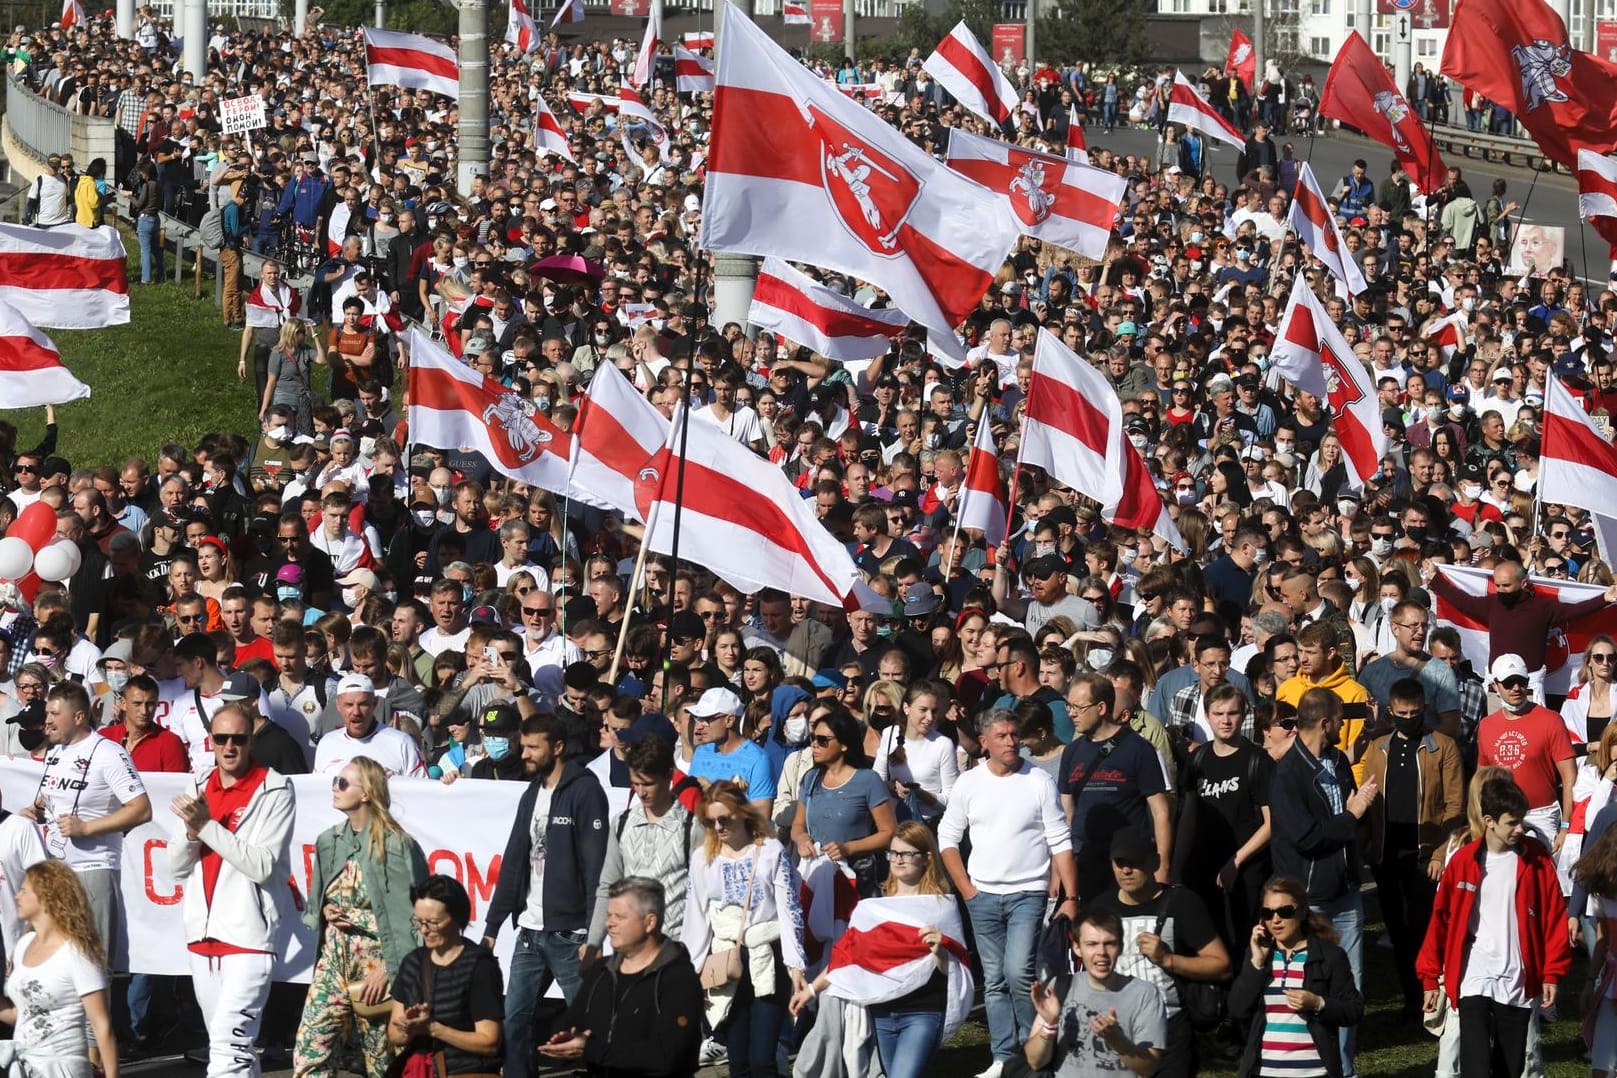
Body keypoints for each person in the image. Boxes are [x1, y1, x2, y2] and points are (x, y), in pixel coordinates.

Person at [937, 708, 1077, 1078]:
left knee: (1018, 973)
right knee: (995, 980)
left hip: (1028, 894)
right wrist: (967, 890)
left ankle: (1036, 1052)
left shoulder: (1038, 781)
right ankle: (1003, 1056)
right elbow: (947, 839)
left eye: (1015, 734)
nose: (1012, 741)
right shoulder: (969, 783)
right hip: (981, 895)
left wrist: (1071, 896)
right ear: (984, 743)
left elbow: (1060, 840)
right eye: (1002, 736)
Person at [166, 702, 295, 1078]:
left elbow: (261, 864)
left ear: (250, 741)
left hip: (249, 938)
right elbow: (175, 867)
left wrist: (205, 826)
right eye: (221, 738)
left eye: (238, 738)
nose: (229, 746)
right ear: (211, 741)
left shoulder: (274, 789)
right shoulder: (197, 784)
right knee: (234, 1048)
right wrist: (191, 833)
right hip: (201, 938)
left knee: (227, 1044)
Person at [788, 822, 973, 1078]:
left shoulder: (942, 906)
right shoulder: (873, 909)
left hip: (923, 1012)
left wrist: (940, 952)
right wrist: (810, 990)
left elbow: (954, 970)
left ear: (927, 859)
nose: (897, 860)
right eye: (894, 853)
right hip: (883, 1013)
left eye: (906, 854)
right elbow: (847, 958)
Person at [482, 712, 609, 1078]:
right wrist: (492, 925)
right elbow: (513, 860)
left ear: (557, 747)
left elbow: (596, 868)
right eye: (523, 747)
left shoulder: (586, 791)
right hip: (530, 932)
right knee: (514, 1021)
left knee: (591, 1025)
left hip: (571, 935)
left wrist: (592, 932)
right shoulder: (531, 792)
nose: (525, 754)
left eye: (533, 747)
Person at [1418, 775, 1571, 1078]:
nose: (1520, 829)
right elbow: (1441, 921)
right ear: (1489, 821)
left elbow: (1553, 917)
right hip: (1473, 975)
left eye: (1522, 822)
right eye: (1512, 823)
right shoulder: (1463, 861)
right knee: (1475, 1064)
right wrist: (1429, 978)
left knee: (1510, 1067)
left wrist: (1552, 972)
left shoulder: (1536, 859)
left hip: (1516, 976)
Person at [295, 757, 428, 1078]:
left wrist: (390, 969)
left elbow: (421, 917)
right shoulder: (329, 841)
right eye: (334, 781)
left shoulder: (397, 846)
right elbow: (319, 900)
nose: (335, 788)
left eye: (343, 783)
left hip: (379, 964)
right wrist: (326, 910)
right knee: (310, 1049)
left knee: (383, 1060)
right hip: (333, 959)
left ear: (366, 792)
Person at [1267, 686, 1376, 1076]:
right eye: (1340, 722)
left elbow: (1345, 826)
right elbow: (1306, 837)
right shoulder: (1289, 773)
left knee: (1350, 989)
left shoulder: (1338, 762)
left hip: (1345, 892)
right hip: (1308, 899)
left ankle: (1343, 1070)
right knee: (1309, 986)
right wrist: (1353, 814)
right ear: (1326, 722)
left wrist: (1355, 821)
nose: (1343, 728)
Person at [1357, 676, 1465, 1023]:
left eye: (1414, 712)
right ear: (1391, 712)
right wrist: (1370, 846)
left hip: (1424, 856)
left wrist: (1438, 853)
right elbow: (1368, 796)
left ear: (1425, 710)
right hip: (1387, 855)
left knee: (1424, 930)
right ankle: (1410, 998)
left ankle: (1431, 997)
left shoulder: (1442, 746)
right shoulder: (1378, 747)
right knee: (1397, 931)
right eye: (1401, 713)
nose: (1408, 718)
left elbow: (1455, 806)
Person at [682, 781, 807, 1078]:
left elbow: (789, 910)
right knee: (738, 1062)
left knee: (762, 1059)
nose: (718, 826)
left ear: (742, 813)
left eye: (724, 818)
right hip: (726, 960)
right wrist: (692, 972)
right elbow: (696, 918)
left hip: (767, 955)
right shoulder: (703, 858)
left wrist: (796, 966)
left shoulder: (770, 851)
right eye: (710, 821)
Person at [1087, 826, 1232, 1078]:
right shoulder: (1100, 908)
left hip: (1169, 1030)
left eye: (1135, 862)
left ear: (1154, 862)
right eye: (1120, 862)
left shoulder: (1182, 903)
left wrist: (1168, 959)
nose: (1126, 870)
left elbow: (1222, 966)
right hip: (1114, 1029)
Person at [24, 681, 152, 963]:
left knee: (91, 966)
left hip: (93, 869)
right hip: (56, 872)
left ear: (79, 717)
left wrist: (87, 828)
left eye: (55, 714)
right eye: (48, 713)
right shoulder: (56, 751)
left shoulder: (108, 752)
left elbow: (142, 809)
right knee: (53, 964)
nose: (47, 720)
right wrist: (31, 812)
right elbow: (47, 802)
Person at [540, 877, 703, 1076]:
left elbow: (669, 1055)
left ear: (650, 922)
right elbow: (572, 1020)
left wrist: (591, 1049)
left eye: (620, 916)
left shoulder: (678, 979)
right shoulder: (601, 972)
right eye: (608, 915)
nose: (610, 923)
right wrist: (564, 1038)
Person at [1228, 876, 1365, 1078]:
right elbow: (1237, 1009)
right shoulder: (1258, 956)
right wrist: (1256, 963)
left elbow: (1353, 1009)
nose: (1275, 920)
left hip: (1313, 1072)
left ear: (1301, 912)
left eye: (1285, 912)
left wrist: (1318, 1003)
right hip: (1264, 1071)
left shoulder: (1329, 956)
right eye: (1267, 913)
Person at [0, 860, 122, 1078]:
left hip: (62, 1068)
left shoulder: (77, 954)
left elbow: (102, 1026)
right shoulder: (23, 945)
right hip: (24, 1067)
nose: (17, 896)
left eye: (24, 891)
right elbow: (25, 1014)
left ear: (47, 898)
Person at [587, 728, 702, 957]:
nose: (641, 792)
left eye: (648, 784)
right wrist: (594, 942)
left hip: (673, 952)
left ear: (669, 776)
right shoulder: (622, 823)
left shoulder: (693, 827)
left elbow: (705, 897)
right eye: (635, 784)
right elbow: (608, 885)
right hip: (625, 952)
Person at [1058, 671, 1172, 901]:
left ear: (1101, 708)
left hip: (1127, 862)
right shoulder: (1072, 751)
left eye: (1079, 707)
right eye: (1069, 706)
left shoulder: (1139, 749)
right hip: (1085, 862)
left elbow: (1161, 811)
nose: (1072, 713)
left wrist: (1162, 865)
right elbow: (1067, 811)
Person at [1023, 909, 1167, 1078]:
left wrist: (1115, 1039)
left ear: (1120, 947)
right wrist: (1050, 1024)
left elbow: (1149, 1068)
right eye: (1092, 944)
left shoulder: (1145, 994)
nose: (1102, 952)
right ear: (1077, 948)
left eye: (1110, 943)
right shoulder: (1060, 986)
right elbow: (1035, 1061)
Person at [386, 875, 504, 1078]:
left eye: (433, 922)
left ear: (457, 919)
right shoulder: (412, 963)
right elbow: (394, 1035)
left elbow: (490, 1042)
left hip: (467, 1072)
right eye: (419, 922)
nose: (424, 930)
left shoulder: (479, 966)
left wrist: (434, 1029)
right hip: (421, 1070)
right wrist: (408, 1026)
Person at [791, 707, 896, 898]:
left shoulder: (868, 780)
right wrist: (802, 839)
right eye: (813, 738)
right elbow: (798, 825)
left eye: (823, 740)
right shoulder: (811, 778)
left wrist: (848, 848)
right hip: (816, 875)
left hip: (856, 879)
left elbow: (889, 833)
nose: (814, 744)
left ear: (844, 745)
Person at [1478, 653, 1576, 848]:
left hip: (1542, 815)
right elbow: (1481, 780)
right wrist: (1481, 822)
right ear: (1495, 685)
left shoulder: (1551, 720)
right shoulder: (1486, 726)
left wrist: (1566, 827)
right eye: (1508, 682)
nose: (1516, 688)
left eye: (1521, 681)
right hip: (1501, 816)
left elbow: (1570, 777)